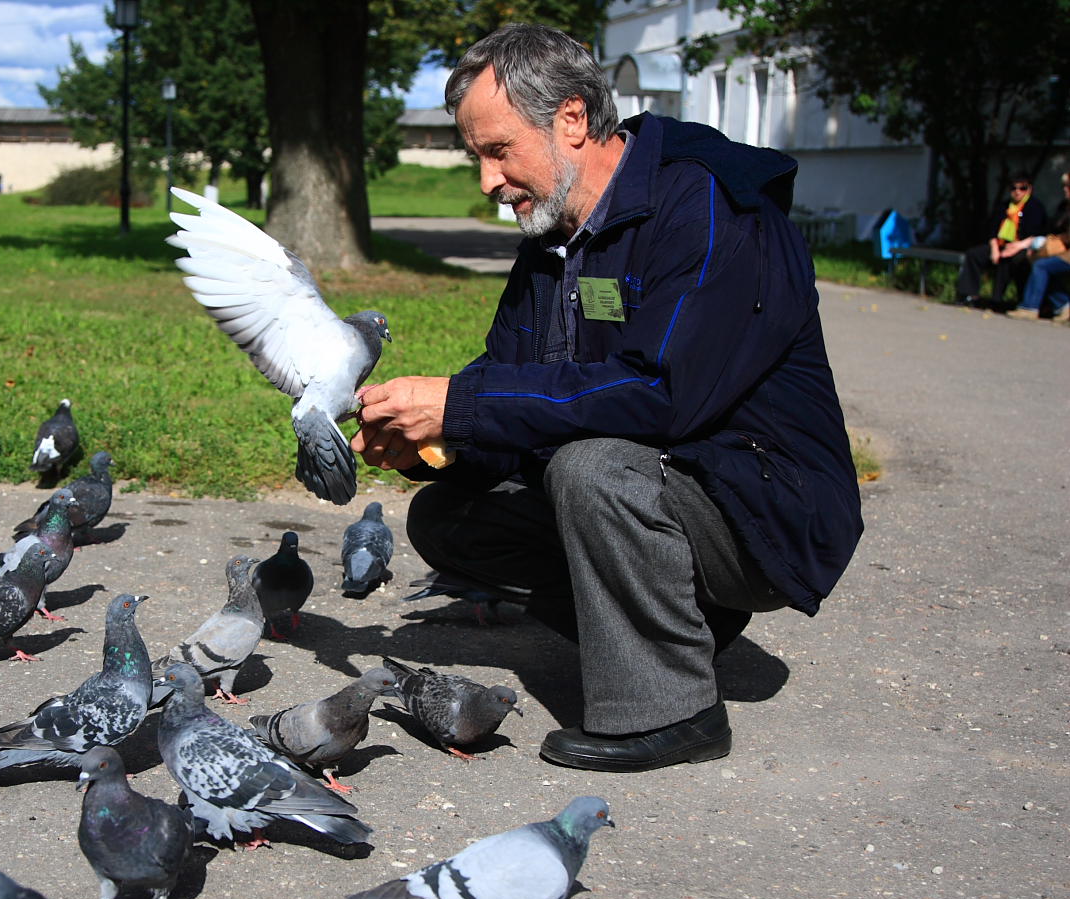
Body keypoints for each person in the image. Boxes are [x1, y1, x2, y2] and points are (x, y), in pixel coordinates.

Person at [350, 24, 863, 772]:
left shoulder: (709, 206)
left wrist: (461, 403)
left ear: (572, 120)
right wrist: (435, 441)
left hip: (772, 503)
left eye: (498, 150)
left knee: (590, 468)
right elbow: (517, 386)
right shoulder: (552, 243)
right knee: (451, 515)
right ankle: (681, 624)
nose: (487, 180)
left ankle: (674, 709)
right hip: (670, 480)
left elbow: (660, 393)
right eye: (477, 157)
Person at [955, 171, 1048, 310]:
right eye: (1013, 188)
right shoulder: (1004, 206)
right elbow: (992, 230)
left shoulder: (1035, 207)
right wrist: (994, 249)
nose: (1017, 192)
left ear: (1029, 189)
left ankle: (997, 300)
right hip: (1001, 244)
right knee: (973, 254)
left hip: (1023, 247)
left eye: (1022, 188)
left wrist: (1016, 247)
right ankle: (968, 295)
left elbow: (1038, 234)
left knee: (1009, 260)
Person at [1006, 171, 1070, 322]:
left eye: (1068, 186)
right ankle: (1064, 306)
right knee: (1038, 263)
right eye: (1065, 186)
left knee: (1042, 266)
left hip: (1065, 253)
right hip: (1062, 251)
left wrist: (1054, 240)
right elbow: (1052, 227)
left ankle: (1030, 308)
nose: (1065, 189)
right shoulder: (1064, 207)